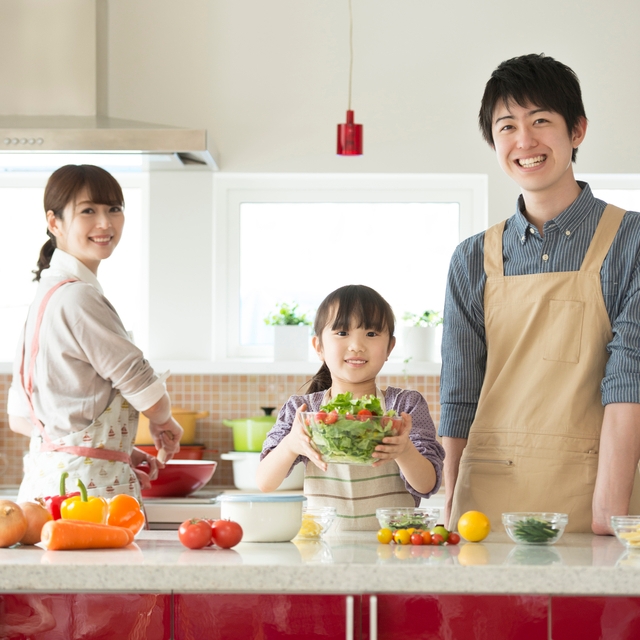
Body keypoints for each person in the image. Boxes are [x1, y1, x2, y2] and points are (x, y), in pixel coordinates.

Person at [439, 53, 640, 535]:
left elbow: (629, 379)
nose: (524, 141)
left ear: (577, 131)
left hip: (595, 496)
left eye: (541, 121)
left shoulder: (630, 241)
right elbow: (460, 395)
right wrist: (448, 509)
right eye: (506, 126)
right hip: (483, 507)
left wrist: (607, 519)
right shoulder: (471, 258)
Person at [7, 164, 183, 503]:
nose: (105, 223)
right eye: (88, 211)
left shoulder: (45, 297)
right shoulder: (78, 297)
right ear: (54, 222)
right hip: (88, 496)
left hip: (47, 488)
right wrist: (164, 421)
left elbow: (21, 419)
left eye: (114, 209)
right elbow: (142, 386)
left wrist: (111, 452)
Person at [257, 284, 444, 531]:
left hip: (396, 548)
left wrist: (404, 450)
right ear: (319, 347)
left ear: (390, 347)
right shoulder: (303, 410)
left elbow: (427, 485)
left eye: (371, 334)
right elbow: (265, 482)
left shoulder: (405, 405)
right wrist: (292, 444)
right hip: (324, 549)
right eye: (342, 333)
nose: (356, 345)